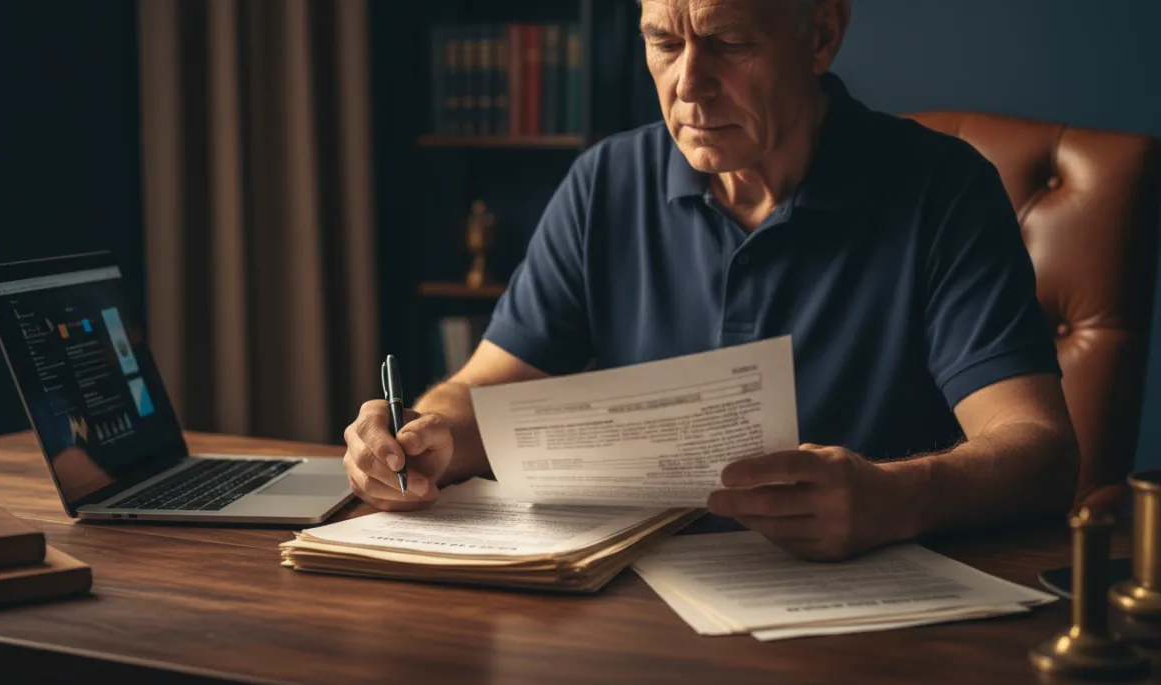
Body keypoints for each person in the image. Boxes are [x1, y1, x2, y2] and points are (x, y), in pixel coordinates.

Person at [344, 0, 1079, 561]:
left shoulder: (943, 191)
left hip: (865, 618)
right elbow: (485, 390)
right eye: (663, 42)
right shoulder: (606, 184)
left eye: (729, 42)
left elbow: (1039, 449)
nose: (688, 84)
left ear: (822, 33)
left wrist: (894, 497)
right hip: (639, 605)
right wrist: (421, 435)